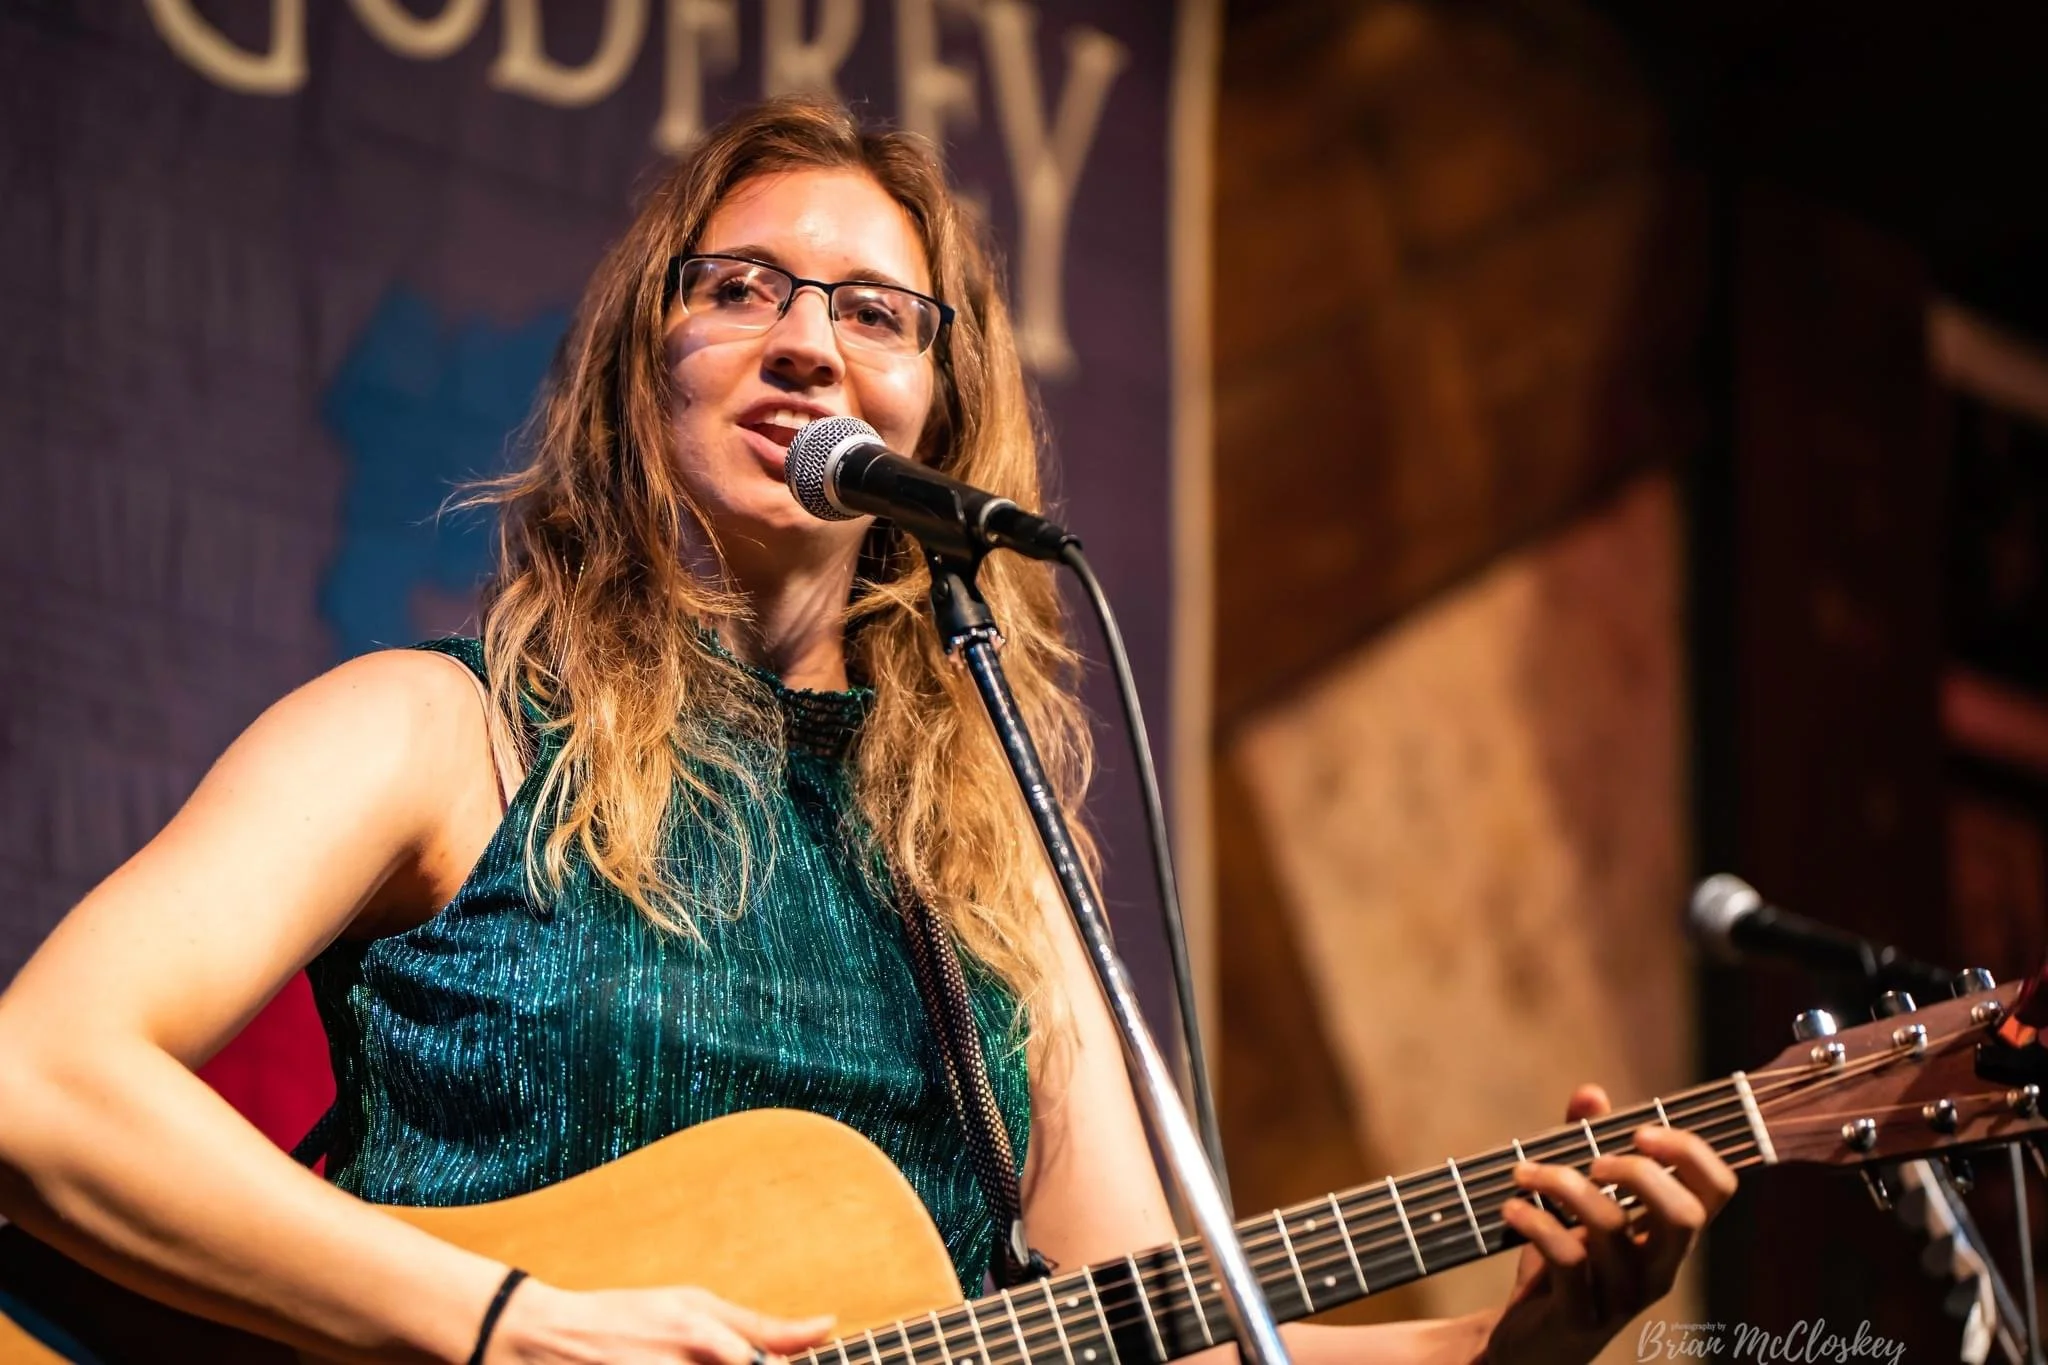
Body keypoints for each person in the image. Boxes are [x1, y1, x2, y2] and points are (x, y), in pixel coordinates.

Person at [0, 97, 1735, 1365]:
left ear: (938, 404)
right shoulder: (435, 734)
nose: (807, 344)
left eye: (873, 313)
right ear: (639, 361)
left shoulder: (988, 872)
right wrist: (504, 1321)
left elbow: (1160, 1340)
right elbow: (37, 1080)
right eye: (742, 287)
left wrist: (1515, 1348)